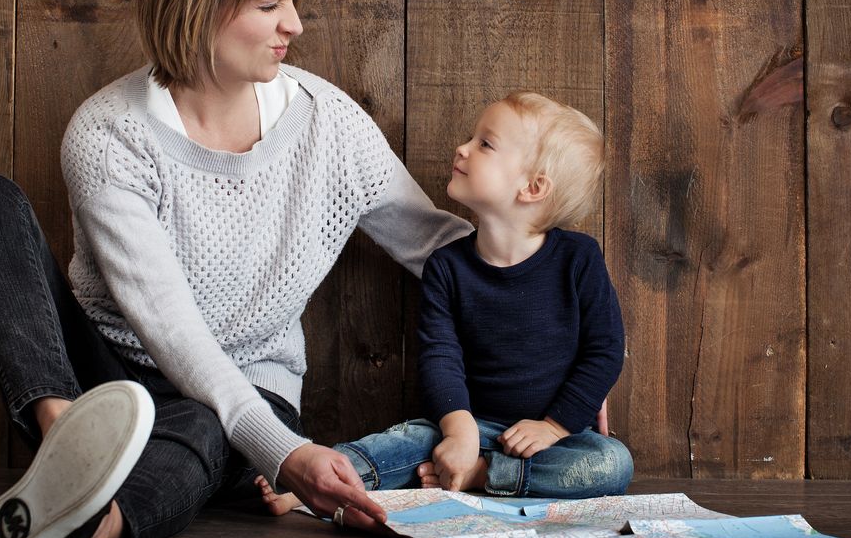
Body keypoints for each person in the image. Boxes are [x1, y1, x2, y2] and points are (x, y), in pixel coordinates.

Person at [0, 0, 471, 538]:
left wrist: (559, 327)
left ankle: (96, 522)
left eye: (292, 1)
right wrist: (286, 456)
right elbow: (170, 327)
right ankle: (67, 442)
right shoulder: (107, 134)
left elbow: (438, 246)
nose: (296, 25)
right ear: (199, 2)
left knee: (203, 423)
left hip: (245, 391)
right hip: (101, 378)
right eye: (270, 4)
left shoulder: (328, 124)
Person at [259, 92, 632, 514]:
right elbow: (440, 356)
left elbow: (603, 351)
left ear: (532, 187)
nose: (463, 147)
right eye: (472, 138)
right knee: (405, 441)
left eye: (485, 144)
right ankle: (316, 481)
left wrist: (554, 426)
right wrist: (458, 431)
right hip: (470, 423)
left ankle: (483, 475)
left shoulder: (578, 259)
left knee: (611, 464)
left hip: (552, 440)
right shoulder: (448, 267)